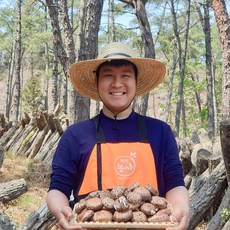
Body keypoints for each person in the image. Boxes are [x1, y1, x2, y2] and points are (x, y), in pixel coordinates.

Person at [46, 42, 189, 230]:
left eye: (125, 75)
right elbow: (57, 187)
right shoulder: (75, 135)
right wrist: (61, 210)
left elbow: (174, 183)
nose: (117, 83)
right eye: (108, 76)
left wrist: (181, 208)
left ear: (136, 82)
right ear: (97, 82)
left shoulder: (160, 132)